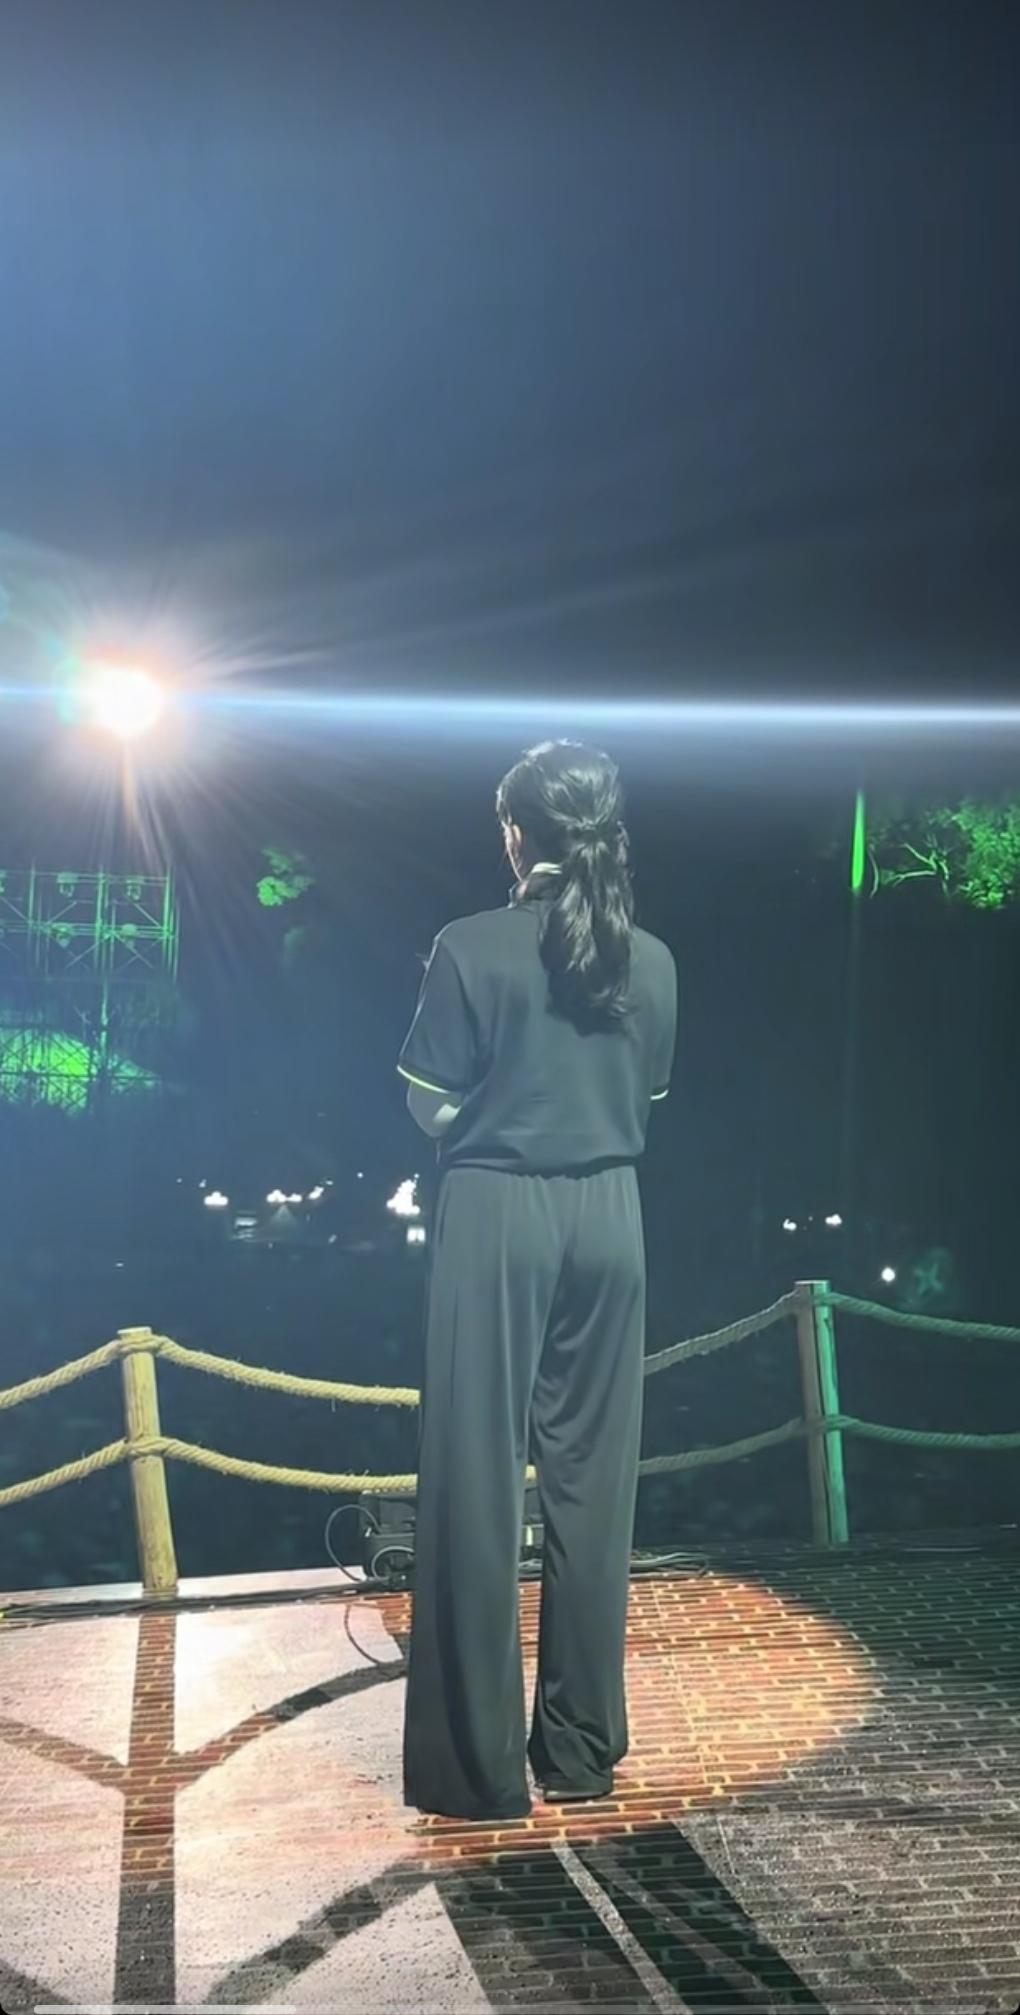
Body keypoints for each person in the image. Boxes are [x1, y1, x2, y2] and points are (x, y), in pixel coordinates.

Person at [396, 738, 677, 1821]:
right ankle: (581, 1748)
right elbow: (646, 1101)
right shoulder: (653, 959)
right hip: (613, 1212)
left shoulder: (468, 945)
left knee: (474, 1478)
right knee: (595, 1482)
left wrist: (494, 1110)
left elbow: (427, 1101)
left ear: (516, 833)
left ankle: (477, 1770)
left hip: (495, 1206)